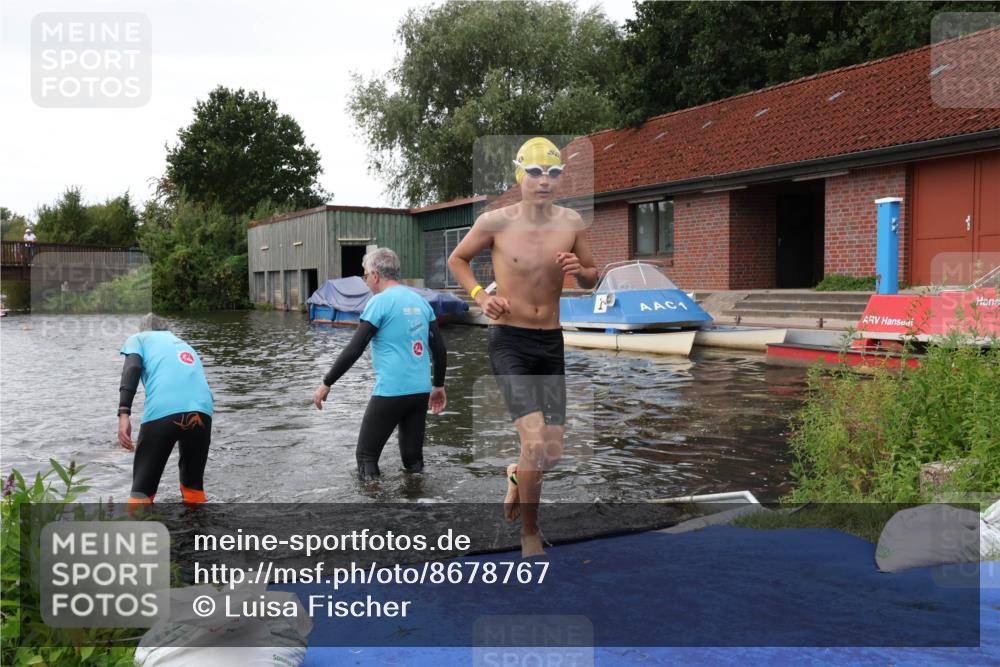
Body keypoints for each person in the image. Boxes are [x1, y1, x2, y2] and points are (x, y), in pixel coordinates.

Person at [448, 137, 598, 557]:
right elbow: (457, 260)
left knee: (549, 450)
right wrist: (480, 295)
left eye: (552, 173)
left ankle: (517, 475)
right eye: (535, 172)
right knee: (534, 442)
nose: (544, 181)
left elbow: (593, 277)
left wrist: (580, 271)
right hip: (509, 340)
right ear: (520, 175)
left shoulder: (571, 222)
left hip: (550, 342)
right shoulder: (495, 222)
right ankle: (529, 532)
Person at [313, 247, 448, 480]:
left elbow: (355, 349)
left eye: (365, 275)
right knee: (413, 461)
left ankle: (374, 512)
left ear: (375, 275)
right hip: (419, 392)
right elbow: (440, 349)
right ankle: (418, 503)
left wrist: (327, 382)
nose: (365, 281)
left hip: (391, 393)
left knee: (366, 457)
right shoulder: (421, 303)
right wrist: (438, 386)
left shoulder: (379, 303)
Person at [117, 313, 214, 506]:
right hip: (203, 410)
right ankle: (197, 531)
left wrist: (124, 412)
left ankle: (135, 532)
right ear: (166, 329)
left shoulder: (138, 339)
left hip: (164, 410)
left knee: (142, 491)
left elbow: (132, 368)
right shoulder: (183, 344)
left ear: (143, 330)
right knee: (193, 486)